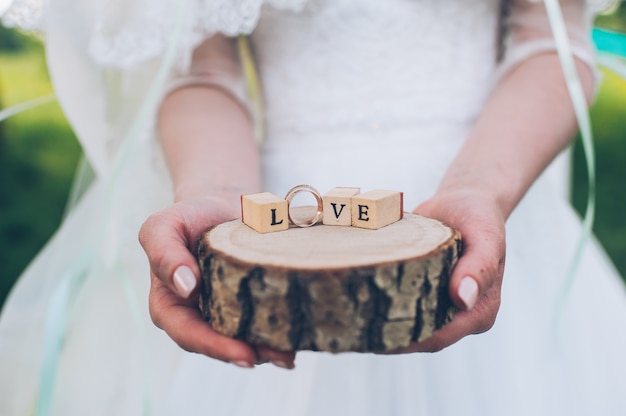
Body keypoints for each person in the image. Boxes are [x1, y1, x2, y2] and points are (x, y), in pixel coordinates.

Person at [1, 0, 626, 415]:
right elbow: (201, 72)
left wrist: (483, 188)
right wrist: (212, 193)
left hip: (488, 193)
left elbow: (550, 41)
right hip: (281, 233)